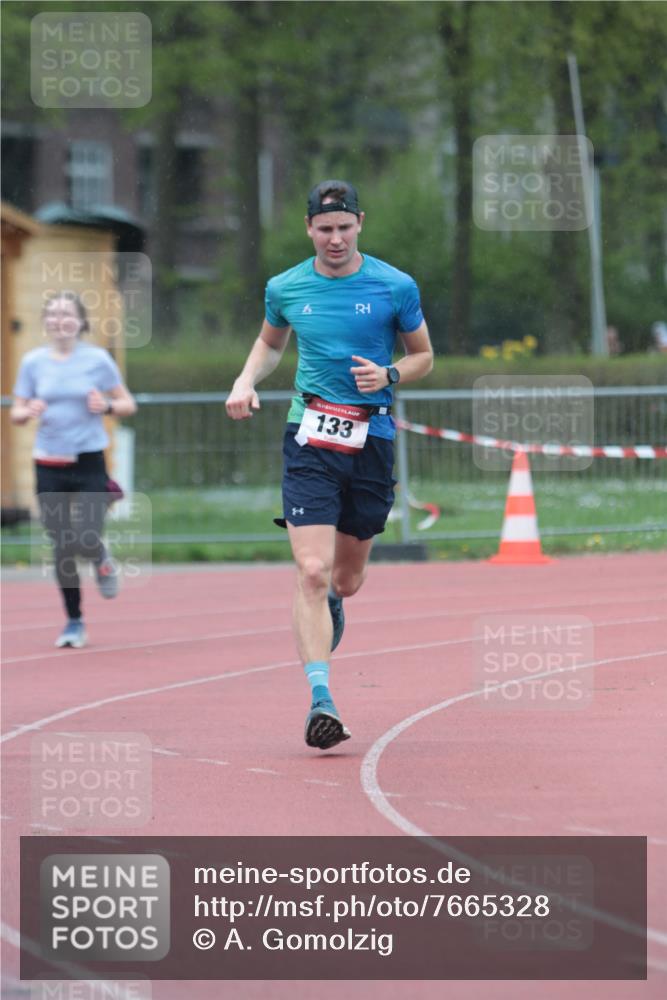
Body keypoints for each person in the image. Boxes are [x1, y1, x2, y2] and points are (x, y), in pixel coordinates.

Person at [226, 180, 433, 750]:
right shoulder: (286, 287)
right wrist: (245, 381)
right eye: (324, 229)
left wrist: (389, 374)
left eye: (344, 228)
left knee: (345, 579)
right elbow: (270, 345)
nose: (335, 239)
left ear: (360, 223)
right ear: (309, 230)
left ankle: (335, 602)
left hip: (371, 438)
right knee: (311, 571)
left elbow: (424, 356)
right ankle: (321, 700)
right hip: (309, 436)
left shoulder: (395, 285)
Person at [10, 290, 137, 649]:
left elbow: (127, 403)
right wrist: (28, 410)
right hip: (48, 463)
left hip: (88, 461)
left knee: (84, 533)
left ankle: (100, 557)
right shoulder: (33, 362)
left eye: (67, 314)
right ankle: (74, 621)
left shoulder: (96, 360)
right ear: (45, 322)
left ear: (81, 322)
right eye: (53, 314)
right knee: (62, 546)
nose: (59, 320)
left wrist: (107, 405)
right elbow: (16, 412)